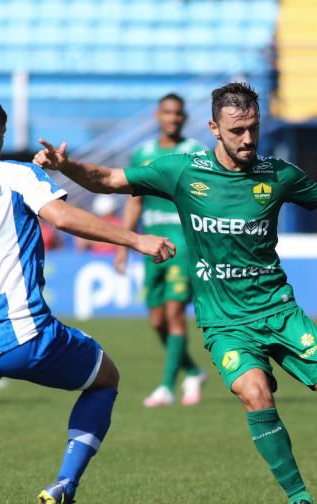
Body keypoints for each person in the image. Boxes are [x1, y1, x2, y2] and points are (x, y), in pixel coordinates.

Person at [34, 82, 317, 504]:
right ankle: (301, 500)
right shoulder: (182, 171)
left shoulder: (278, 174)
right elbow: (110, 180)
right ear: (215, 128)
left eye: (254, 128)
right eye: (237, 130)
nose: (248, 139)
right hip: (225, 324)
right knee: (254, 393)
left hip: (278, 312)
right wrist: (67, 167)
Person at [0, 92, 175, 504]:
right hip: (28, 334)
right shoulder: (16, 174)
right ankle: (65, 484)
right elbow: (64, 219)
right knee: (105, 378)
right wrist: (135, 240)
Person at [114, 93, 207, 407]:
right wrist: (125, 243)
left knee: (175, 313)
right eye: (167, 112)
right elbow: (135, 199)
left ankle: (167, 387)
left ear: (184, 118)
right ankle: (193, 371)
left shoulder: (194, 152)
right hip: (151, 246)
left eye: (178, 113)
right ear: (158, 116)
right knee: (156, 320)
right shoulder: (143, 153)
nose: (173, 118)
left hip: (183, 246)